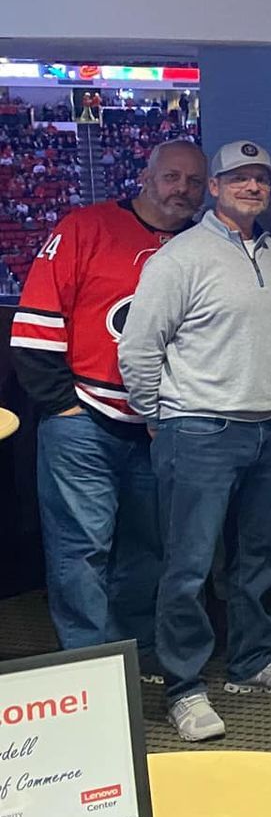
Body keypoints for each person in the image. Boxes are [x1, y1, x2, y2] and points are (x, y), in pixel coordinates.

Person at [120, 139, 271, 742]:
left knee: (260, 557)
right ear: (214, 187)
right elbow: (138, 347)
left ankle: (253, 658)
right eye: (239, 179)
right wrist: (161, 415)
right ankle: (183, 686)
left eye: (261, 180)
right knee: (188, 565)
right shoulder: (180, 257)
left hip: (267, 426)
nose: (253, 188)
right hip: (199, 428)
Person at [11, 138, 205, 658]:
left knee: (147, 548)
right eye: (171, 177)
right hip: (84, 417)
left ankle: (132, 654)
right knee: (81, 549)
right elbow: (34, 327)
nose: (181, 190)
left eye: (193, 182)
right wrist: (61, 404)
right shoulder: (84, 227)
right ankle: (87, 664)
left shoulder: (202, 244)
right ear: (146, 176)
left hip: (162, 423)